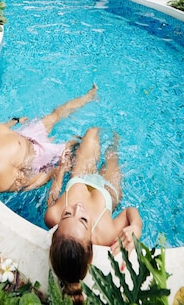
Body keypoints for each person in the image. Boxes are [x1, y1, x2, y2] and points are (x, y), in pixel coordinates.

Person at [44, 126, 142, 304]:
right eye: (82, 220)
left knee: (92, 132)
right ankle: (115, 140)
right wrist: (136, 226)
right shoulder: (106, 235)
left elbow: (52, 199)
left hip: (80, 176)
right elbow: (130, 212)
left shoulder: (52, 215)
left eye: (67, 214)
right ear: (90, 244)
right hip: (108, 189)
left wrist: (60, 173)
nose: (78, 208)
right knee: (112, 153)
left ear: (56, 229)